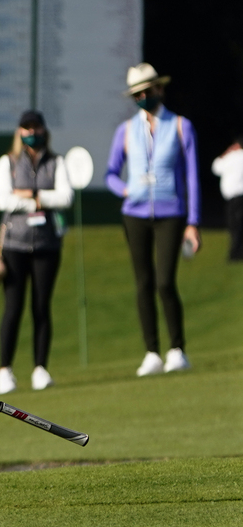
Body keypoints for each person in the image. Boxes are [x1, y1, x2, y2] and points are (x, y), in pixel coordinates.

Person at [104, 63, 201, 376]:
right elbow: (110, 174)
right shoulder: (126, 130)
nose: (143, 97)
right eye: (137, 94)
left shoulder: (181, 126)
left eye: (147, 91)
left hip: (171, 212)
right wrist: (126, 189)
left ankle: (177, 349)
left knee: (164, 281)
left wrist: (193, 222)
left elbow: (192, 176)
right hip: (135, 214)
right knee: (143, 282)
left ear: (160, 89)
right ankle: (152, 352)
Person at [0, 110, 73, 394]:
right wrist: (37, 202)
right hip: (14, 244)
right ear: (19, 132)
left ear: (43, 130)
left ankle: (40, 368)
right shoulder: (8, 162)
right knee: (13, 307)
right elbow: (4, 200)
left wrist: (31, 196)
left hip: (47, 244)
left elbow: (65, 197)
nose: (31, 133)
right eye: (26, 128)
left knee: (41, 306)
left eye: (35, 127)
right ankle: (5, 370)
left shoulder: (56, 161)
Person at [212, 136, 243, 261]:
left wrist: (226, 153)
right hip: (238, 197)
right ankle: (237, 251)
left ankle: (235, 252)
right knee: (238, 224)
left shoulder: (230, 157)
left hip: (234, 197)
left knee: (234, 225)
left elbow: (215, 168)